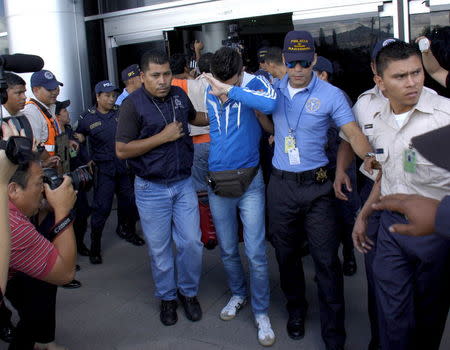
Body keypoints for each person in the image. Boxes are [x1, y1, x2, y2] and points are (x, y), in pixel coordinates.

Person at [268, 30, 373, 350]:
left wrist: (371, 162)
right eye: (292, 62)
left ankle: (334, 334)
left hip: (318, 189)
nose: (298, 69)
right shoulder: (271, 91)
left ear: (313, 59)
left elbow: (352, 133)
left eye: (304, 62)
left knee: (327, 262)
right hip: (282, 186)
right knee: (285, 257)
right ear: (283, 61)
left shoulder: (331, 95)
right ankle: (296, 310)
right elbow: (256, 112)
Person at [353, 41, 450, 350]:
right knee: (392, 316)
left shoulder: (446, 116)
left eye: (417, 73)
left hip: (436, 231)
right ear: (379, 81)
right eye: (400, 76)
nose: (412, 83)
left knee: (429, 316)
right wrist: (365, 213)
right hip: (391, 230)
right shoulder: (377, 120)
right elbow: (387, 173)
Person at [115, 50, 204, 326]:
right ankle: (167, 297)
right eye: (155, 75)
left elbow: (194, 117)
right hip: (151, 188)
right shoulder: (132, 104)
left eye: (166, 73)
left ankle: (187, 293)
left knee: (192, 243)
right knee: (160, 251)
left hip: (183, 183)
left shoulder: (178, 95)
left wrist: (221, 107)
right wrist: (162, 137)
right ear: (143, 76)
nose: (163, 80)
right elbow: (122, 150)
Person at [203, 46, 277, 347]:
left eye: (231, 79)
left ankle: (261, 311)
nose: (226, 84)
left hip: (250, 180)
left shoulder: (255, 83)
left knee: (257, 252)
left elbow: (271, 105)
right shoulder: (212, 86)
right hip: (219, 180)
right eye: (222, 80)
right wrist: (220, 87)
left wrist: (230, 91)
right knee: (229, 249)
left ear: (241, 70)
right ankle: (238, 294)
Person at [6, 152, 77, 350]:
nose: (44, 188)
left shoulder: (8, 206)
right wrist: (62, 210)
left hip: (11, 277)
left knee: (40, 288)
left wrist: (41, 209)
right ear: (13, 189)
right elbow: (65, 273)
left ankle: (41, 340)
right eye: (39, 183)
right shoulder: (13, 227)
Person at [76, 80, 144, 265]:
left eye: (113, 95)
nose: (111, 98)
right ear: (97, 97)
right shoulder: (86, 118)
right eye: (107, 95)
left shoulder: (120, 113)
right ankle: (95, 248)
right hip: (104, 170)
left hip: (124, 168)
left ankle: (127, 231)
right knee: (102, 209)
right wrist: (86, 159)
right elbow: (78, 139)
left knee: (129, 203)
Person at [313, 56, 359, 276]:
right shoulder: (309, 98)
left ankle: (349, 255)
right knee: (324, 219)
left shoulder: (338, 97)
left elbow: (347, 138)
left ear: (323, 75)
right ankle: (328, 263)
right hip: (320, 168)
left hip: (340, 167)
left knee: (345, 215)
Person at [22, 70, 62, 159]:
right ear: (35, 90)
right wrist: (50, 163)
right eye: (50, 89)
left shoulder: (49, 107)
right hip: (45, 168)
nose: (55, 92)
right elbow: (35, 146)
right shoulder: (31, 112)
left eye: (56, 87)